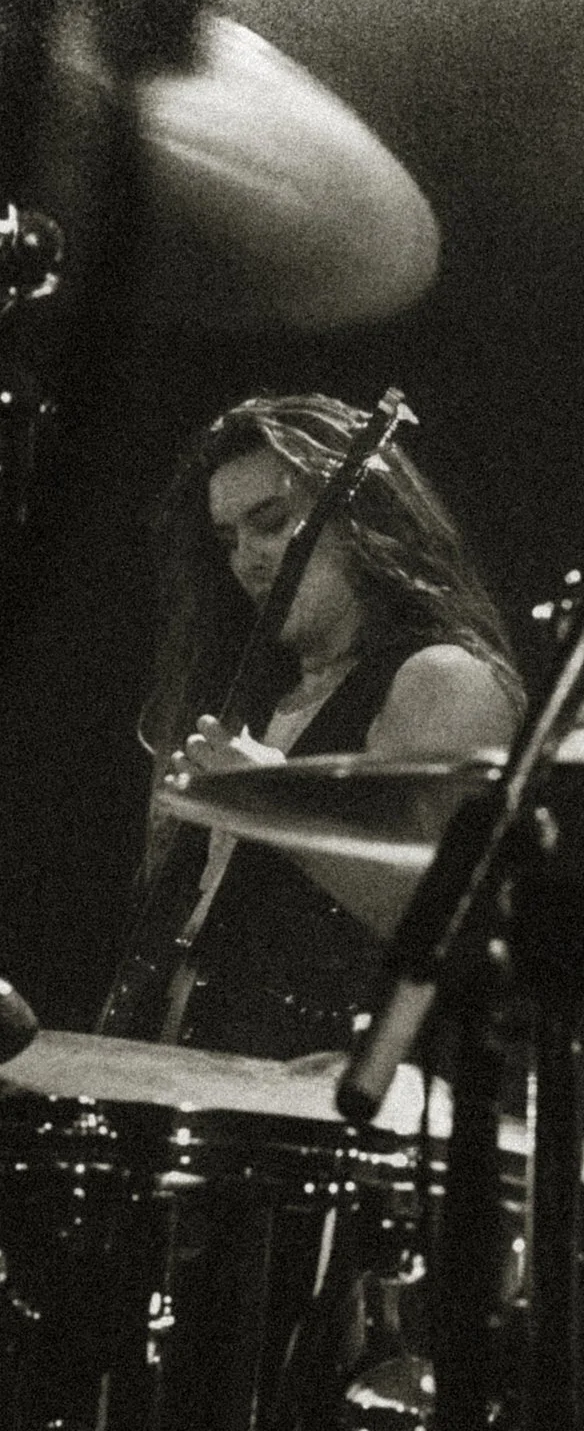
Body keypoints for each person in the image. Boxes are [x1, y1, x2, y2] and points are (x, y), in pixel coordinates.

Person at [106, 393, 522, 1059]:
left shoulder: (441, 678)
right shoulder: (257, 703)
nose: (248, 558)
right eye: (228, 538)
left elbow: (448, 924)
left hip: (320, 1107)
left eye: (270, 522)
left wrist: (278, 805)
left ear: (363, 518)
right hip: (188, 1083)